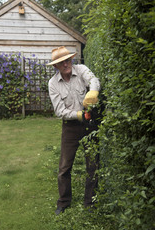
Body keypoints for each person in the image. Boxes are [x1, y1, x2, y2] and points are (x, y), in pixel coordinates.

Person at [48, 46, 100, 215]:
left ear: (72, 59)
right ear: (56, 66)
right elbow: (59, 111)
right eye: (61, 62)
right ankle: (63, 202)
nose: (66, 64)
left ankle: (90, 203)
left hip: (90, 124)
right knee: (64, 167)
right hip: (70, 127)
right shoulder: (53, 84)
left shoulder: (82, 70)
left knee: (93, 165)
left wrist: (93, 91)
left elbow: (94, 79)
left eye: (68, 60)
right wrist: (79, 114)